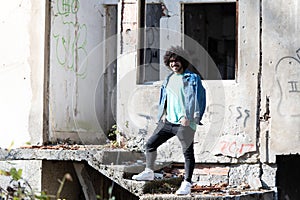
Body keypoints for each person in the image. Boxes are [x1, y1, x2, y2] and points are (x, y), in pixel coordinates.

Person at [132, 46, 206, 195]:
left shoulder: (192, 78)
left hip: (184, 123)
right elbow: (165, 98)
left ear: (183, 62)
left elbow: (200, 100)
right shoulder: (168, 79)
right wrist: (164, 113)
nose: (174, 64)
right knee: (150, 144)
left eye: (177, 61)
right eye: (171, 61)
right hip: (168, 122)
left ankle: (187, 183)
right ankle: (149, 171)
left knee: (187, 153)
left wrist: (190, 118)